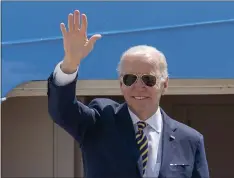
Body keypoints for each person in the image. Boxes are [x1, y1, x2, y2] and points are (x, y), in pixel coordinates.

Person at [47, 10, 210, 178]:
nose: (139, 86)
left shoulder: (190, 140)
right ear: (120, 84)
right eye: (130, 79)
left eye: (148, 79)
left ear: (165, 84)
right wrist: (70, 63)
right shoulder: (100, 121)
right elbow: (62, 111)